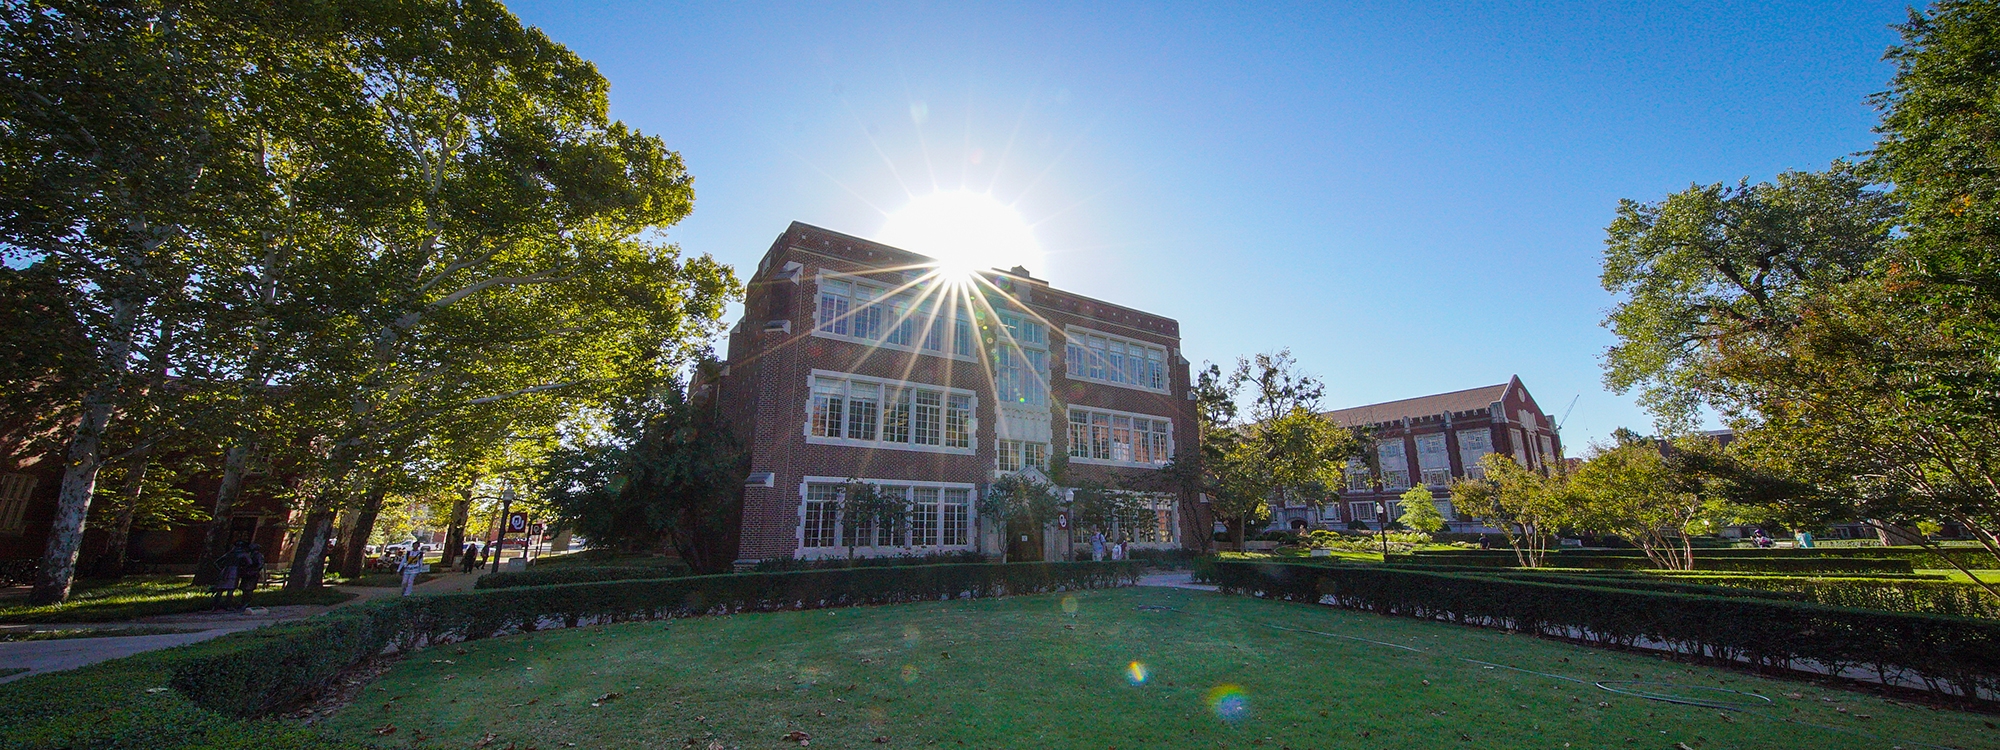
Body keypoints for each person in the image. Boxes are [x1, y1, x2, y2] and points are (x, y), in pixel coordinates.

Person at [210, 542, 247, 610]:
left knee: (220, 590)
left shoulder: (229, 553)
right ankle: (228, 606)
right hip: (234, 572)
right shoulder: (243, 554)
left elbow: (216, 562)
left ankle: (215, 606)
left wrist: (221, 569)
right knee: (230, 590)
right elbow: (250, 562)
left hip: (224, 571)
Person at [236, 543, 265, 609]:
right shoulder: (249, 554)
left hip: (253, 574)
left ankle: (247, 603)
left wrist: (253, 569)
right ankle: (243, 602)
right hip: (247, 573)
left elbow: (260, 565)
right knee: (244, 588)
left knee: (249, 589)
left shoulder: (259, 555)